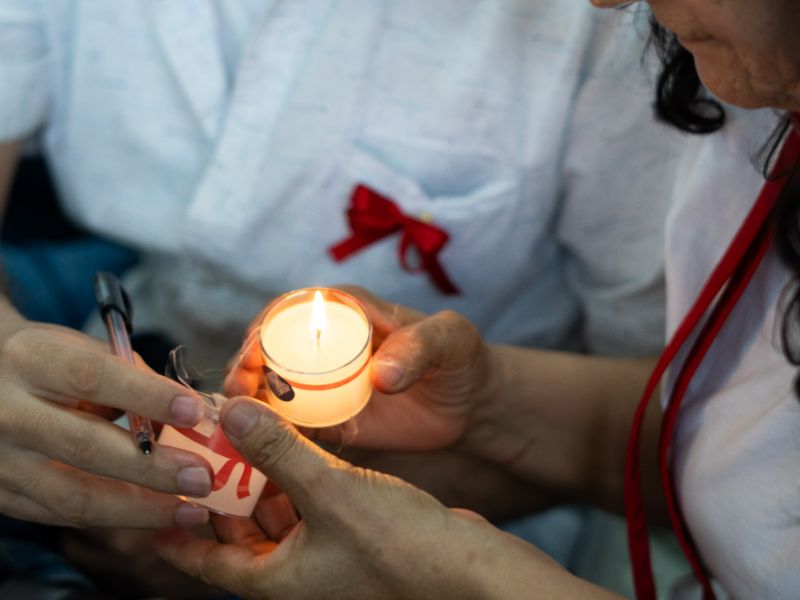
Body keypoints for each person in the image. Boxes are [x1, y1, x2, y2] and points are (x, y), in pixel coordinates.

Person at [0, 1, 689, 595]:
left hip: (468, 479)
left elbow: (682, 420)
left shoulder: (621, 27)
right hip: (151, 329)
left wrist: (279, 515)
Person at [154, 0, 800, 598]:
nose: (604, 5)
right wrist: (493, 403)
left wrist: (468, 579)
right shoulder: (761, 117)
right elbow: (739, 448)